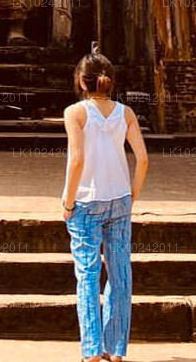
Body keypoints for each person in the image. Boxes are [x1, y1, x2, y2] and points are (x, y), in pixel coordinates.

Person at [60, 52, 150, 362]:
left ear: (81, 82)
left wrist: (67, 200)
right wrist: (132, 194)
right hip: (119, 200)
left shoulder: (76, 112)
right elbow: (143, 158)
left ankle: (91, 350)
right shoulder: (125, 113)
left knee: (87, 275)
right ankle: (116, 350)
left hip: (86, 201)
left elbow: (77, 159)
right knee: (120, 274)